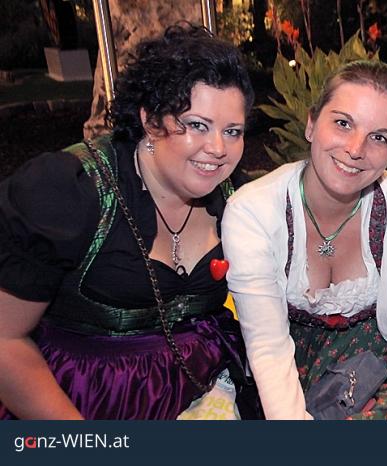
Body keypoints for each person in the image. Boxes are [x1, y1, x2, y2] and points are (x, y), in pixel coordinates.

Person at [0, 24, 259, 420]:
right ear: (151, 120)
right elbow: (6, 339)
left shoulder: (235, 198)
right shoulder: (71, 191)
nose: (218, 148)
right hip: (81, 401)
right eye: (197, 125)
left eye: (233, 131)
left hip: (207, 386)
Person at [222, 60, 387, 420]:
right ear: (311, 124)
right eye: (343, 123)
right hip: (283, 377)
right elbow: (267, 346)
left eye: (379, 138)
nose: (356, 149)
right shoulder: (253, 211)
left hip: (374, 372)